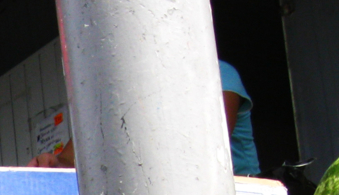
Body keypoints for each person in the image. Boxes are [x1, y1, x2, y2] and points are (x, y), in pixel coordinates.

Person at [30, 58, 258, 176]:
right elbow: (72, 160)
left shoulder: (216, 73)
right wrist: (53, 163)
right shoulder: (121, 90)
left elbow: (205, 151)